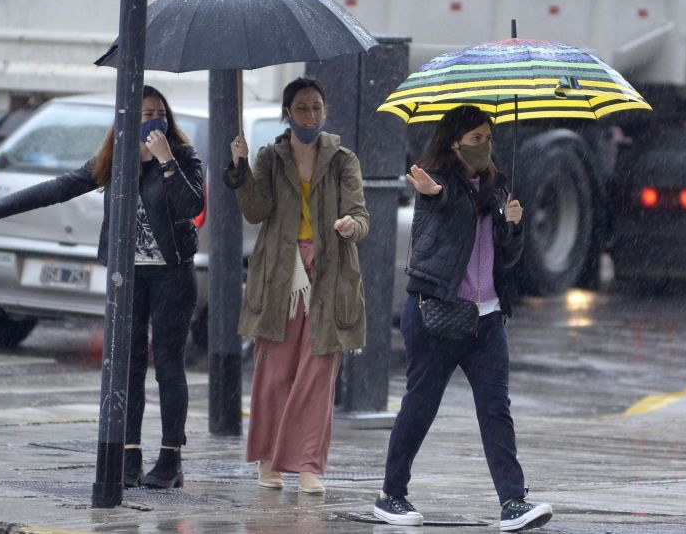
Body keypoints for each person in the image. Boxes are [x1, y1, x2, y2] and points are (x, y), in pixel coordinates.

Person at [0, 86, 202, 490]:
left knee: (169, 367)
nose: (153, 120)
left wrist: (166, 161)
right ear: (127, 120)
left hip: (172, 276)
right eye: (144, 114)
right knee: (129, 368)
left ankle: (171, 458)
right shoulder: (116, 160)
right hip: (129, 278)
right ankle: (129, 455)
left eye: (159, 112)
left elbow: (190, 206)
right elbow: (60, 187)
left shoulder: (185, 158)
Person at [372, 105, 553, 531]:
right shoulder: (435, 182)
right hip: (436, 313)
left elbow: (507, 260)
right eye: (475, 139)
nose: (484, 145)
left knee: (496, 410)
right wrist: (436, 195)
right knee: (420, 405)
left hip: (487, 320)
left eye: (488, 137)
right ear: (454, 143)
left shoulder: (497, 184)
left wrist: (514, 226)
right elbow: (444, 212)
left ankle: (513, 501)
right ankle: (390, 494)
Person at [224, 76, 368, 495]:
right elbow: (256, 211)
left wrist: (349, 226)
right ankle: (269, 461)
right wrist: (240, 168)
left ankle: (307, 466)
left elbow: (361, 217)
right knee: (275, 374)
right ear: (287, 114)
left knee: (317, 373)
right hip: (281, 275)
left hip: (330, 275)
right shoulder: (270, 158)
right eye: (302, 108)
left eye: (317, 107)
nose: (311, 115)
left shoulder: (343, 160)